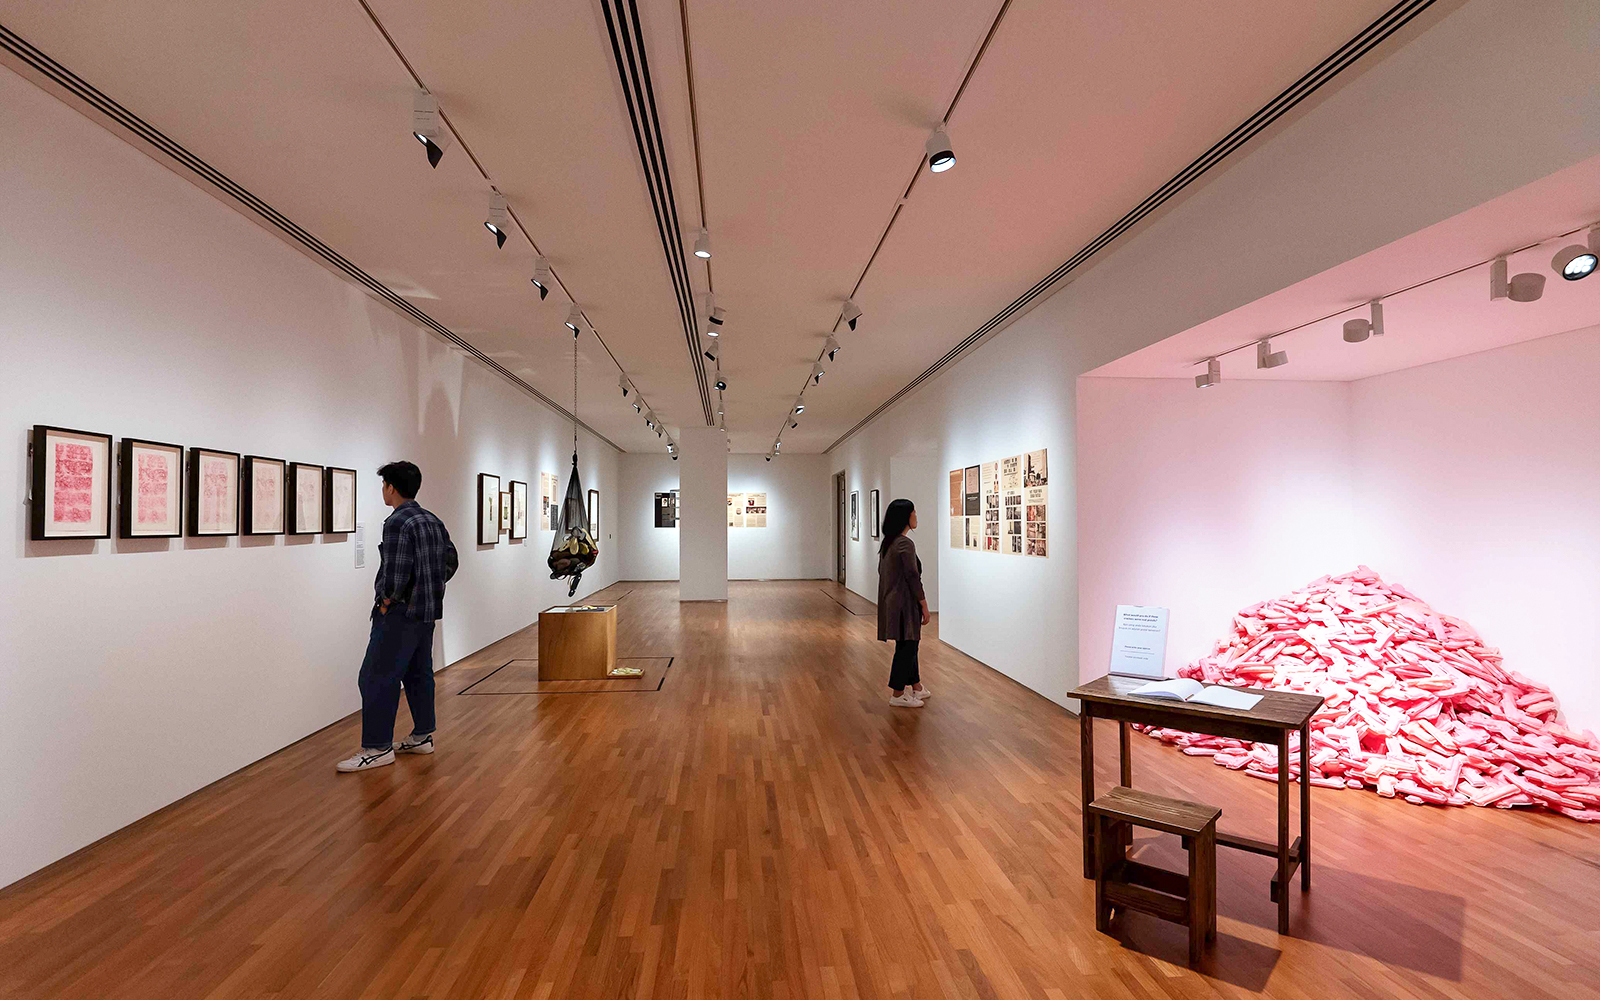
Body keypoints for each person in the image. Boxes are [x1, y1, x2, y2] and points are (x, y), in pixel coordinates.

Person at [336, 461, 459, 772]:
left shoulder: (397, 523)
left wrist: (388, 600)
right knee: (418, 674)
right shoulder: (432, 519)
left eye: (383, 485)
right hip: (427, 613)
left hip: (400, 613)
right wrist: (430, 586)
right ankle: (422, 736)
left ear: (391, 487)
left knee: (375, 676)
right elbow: (451, 561)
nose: (383, 490)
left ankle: (377, 748)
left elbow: (396, 572)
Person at [877, 498, 931, 707]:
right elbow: (912, 577)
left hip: (894, 602)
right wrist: (924, 606)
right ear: (906, 517)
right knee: (907, 647)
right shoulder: (904, 544)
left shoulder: (889, 543)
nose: (916, 516)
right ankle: (897, 694)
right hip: (905, 604)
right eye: (914, 513)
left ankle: (916, 686)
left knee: (909, 644)